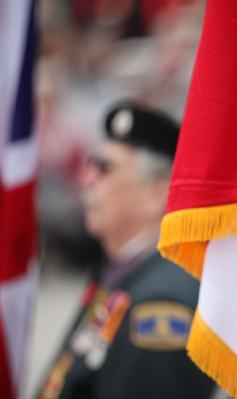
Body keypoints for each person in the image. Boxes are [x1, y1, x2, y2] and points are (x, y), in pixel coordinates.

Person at [37, 101, 216, 399]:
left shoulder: (161, 304)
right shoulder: (126, 273)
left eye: (104, 169)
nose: (87, 179)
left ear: (156, 193)